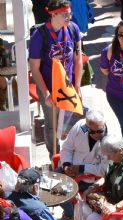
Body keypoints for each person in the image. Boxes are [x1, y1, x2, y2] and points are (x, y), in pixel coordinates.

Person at [28, 0, 83, 157]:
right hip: (48, 86)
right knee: (52, 124)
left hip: (68, 86)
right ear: (53, 14)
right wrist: (46, 93)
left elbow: (78, 59)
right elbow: (34, 69)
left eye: (70, 13)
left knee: (70, 122)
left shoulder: (73, 28)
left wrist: (77, 86)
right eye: (65, 14)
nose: (69, 17)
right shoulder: (39, 35)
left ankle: (69, 157)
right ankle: (55, 156)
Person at [59, 110, 111, 198]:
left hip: (88, 178)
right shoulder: (80, 127)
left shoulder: (109, 140)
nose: (96, 135)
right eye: (92, 131)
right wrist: (66, 164)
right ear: (87, 127)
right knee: (49, 185)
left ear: (104, 124)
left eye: (99, 131)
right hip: (70, 169)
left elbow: (104, 169)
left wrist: (81, 168)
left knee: (63, 195)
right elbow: (67, 147)